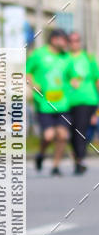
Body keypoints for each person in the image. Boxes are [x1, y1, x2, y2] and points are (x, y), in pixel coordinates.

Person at [26, 28, 70, 176]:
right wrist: (33, 84)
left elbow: (72, 75)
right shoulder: (39, 55)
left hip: (63, 104)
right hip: (44, 104)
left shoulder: (66, 57)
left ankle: (56, 166)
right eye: (63, 39)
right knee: (49, 135)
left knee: (63, 135)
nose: (66, 43)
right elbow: (26, 72)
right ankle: (41, 154)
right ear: (54, 39)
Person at [64, 32, 99, 174]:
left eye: (77, 40)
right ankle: (78, 158)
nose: (74, 43)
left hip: (86, 100)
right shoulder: (63, 59)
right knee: (70, 132)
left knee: (80, 130)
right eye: (71, 41)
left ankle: (80, 160)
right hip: (66, 101)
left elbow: (97, 80)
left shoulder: (88, 59)